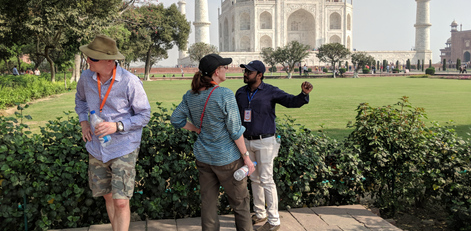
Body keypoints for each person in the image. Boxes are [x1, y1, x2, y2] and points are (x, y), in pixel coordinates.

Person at [75, 34, 151, 231]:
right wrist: (84, 123)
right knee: (108, 196)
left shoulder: (130, 82)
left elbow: (144, 115)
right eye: (87, 57)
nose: (88, 61)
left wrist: (116, 126)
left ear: (109, 61)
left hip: (123, 147)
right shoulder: (86, 78)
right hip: (96, 147)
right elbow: (80, 101)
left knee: (121, 201)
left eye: (92, 58)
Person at [171, 54, 255, 231]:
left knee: (208, 205)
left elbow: (176, 119)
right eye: (224, 67)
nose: (227, 69)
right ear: (217, 72)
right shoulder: (224, 94)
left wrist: (196, 129)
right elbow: (235, 130)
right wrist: (246, 157)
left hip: (204, 158)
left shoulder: (191, 95)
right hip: (227, 160)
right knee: (240, 204)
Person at [235, 60, 313, 231]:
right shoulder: (240, 93)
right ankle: (260, 213)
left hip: (265, 142)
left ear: (259, 75)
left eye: (249, 72)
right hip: (246, 141)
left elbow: (291, 101)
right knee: (254, 179)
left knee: (266, 180)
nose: (245, 74)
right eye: (245, 71)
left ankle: (274, 220)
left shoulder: (270, 91)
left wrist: (303, 95)